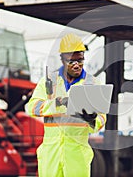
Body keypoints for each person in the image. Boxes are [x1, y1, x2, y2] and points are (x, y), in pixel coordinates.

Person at [25, 33, 106, 177]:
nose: (77, 65)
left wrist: (91, 120)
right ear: (62, 60)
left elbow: (101, 120)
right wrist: (58, 103)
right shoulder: (49, 82)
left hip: (77, 157)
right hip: (51, 155)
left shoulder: (92, 84)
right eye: (72, 61)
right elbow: (31, 107)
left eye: (80, 60)